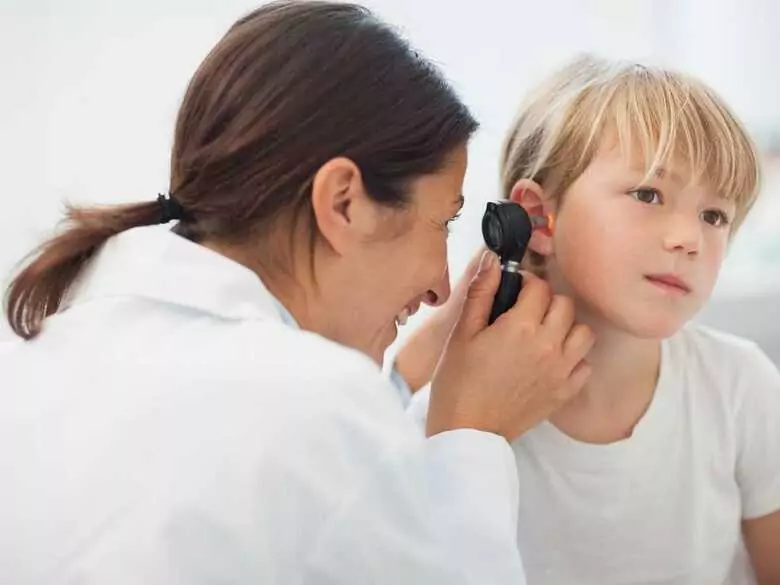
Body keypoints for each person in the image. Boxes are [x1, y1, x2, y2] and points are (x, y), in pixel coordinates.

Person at [0, 3, 596, 584]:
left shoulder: (51, 354)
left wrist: (403, 380)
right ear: (343, 202)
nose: (443, 289)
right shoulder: (312, 409)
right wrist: (474, 434)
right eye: (442, 222)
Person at [398, 55, 780, 584]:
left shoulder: (742, 387)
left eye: (714, 215)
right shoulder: (457, 425)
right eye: (648, 194)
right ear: (536, 218)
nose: (689, 239)